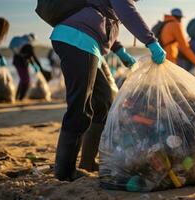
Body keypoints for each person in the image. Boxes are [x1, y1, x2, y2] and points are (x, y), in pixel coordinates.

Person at [50, 0, 166, 181]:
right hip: (78, 40)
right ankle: (65, 172)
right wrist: (151, 41)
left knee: (104, 99)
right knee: (79, 108)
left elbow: (102, 23)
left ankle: (88, 161)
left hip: (86, 42)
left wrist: (119, 51)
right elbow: (127, 13)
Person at [12, 33, 50, 100]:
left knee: (23, 80)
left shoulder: (24, 45)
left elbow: (29, 57)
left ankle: (17, 97)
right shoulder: (28, 46)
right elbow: (34, 57)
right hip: (21, 64)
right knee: (26, 81)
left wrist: (34, 65)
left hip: (18, 63)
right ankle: (20, 98)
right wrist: (40, 68)